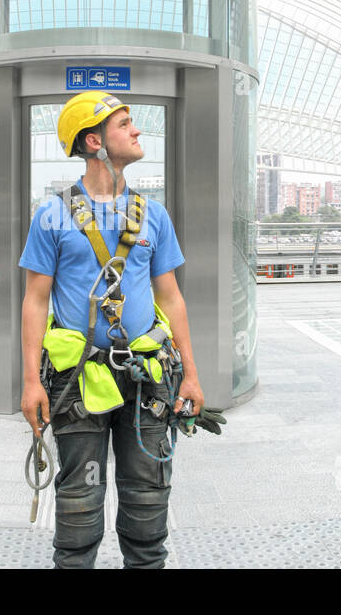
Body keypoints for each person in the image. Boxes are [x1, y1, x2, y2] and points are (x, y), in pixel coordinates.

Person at [19, 91, 206, 569]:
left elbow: (171, 297)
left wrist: (191, 374)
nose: (137, 130)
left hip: (146, 379)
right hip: (78, 380)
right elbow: (35, 301)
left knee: (148, 506)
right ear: (94, 141)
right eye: (125, 123)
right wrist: (30, 383)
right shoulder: (52, 216)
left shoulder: (153, 215)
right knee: (79, 510)